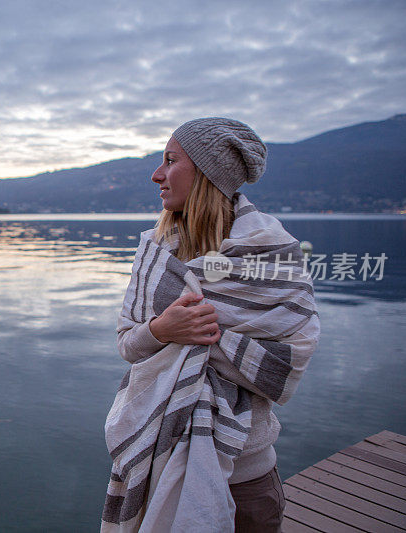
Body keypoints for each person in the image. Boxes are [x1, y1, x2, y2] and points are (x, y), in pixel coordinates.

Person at [101, 118, 320, 532]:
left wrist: (207, 337)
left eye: (170, 160)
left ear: (206, 171)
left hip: (247, 476)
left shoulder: (272, 255)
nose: (157, 174)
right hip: (153, 461)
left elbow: (290, 362)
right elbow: (128, 345)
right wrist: (163, 330)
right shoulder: (154, 252)